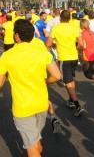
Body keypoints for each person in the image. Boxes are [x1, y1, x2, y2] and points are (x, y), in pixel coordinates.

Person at [0, 19, 61, 157]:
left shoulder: (6, 56)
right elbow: (57, 76)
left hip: (23, 108)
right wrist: (46, 81)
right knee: (36, 138)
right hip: (41, 104)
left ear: (16, 35)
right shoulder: (43, 53)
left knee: (31, 145)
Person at [46, 10, 85, 117]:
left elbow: (48, 44)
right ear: (69, 19)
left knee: (67, 82)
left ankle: (78, 106)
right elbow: (81, 44)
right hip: (74, 57)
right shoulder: (75, 28)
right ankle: (71, 100)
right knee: (71, 79)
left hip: (64, 58)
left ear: (60, 19)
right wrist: (75, 49)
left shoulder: (56, 28)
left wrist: (55, 45)